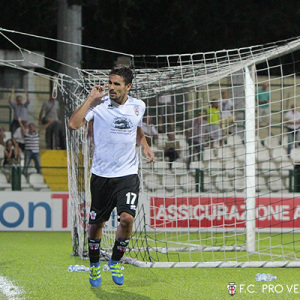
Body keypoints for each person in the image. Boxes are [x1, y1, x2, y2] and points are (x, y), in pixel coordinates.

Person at [68, 65, 154, 288]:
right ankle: (95, 265)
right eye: (110, 83)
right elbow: (73, 124)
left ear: (128, 86)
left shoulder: (138, 106)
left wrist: (145, 146)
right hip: (102, 175)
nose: (112, 87)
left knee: (127, 219)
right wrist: (90, 99)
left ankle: (115, 261)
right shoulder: (98, 104)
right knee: (96, 224)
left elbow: (136, 128)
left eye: (117, 84)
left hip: (127, 174)